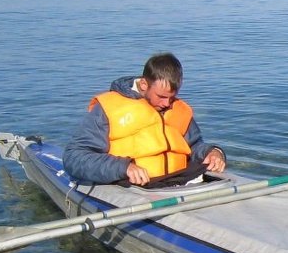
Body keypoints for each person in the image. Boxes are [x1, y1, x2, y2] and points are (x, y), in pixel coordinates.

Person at [63, 52, 226, 186]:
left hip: (181, 181)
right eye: (161, 97)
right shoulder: (109, 108)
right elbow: (74, 157)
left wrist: (213, 152)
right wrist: (124, 168)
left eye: (172, 97)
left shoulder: (177, 108)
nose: (167, 103)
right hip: (133, 186)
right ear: (143, 85)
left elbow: (194, 145)